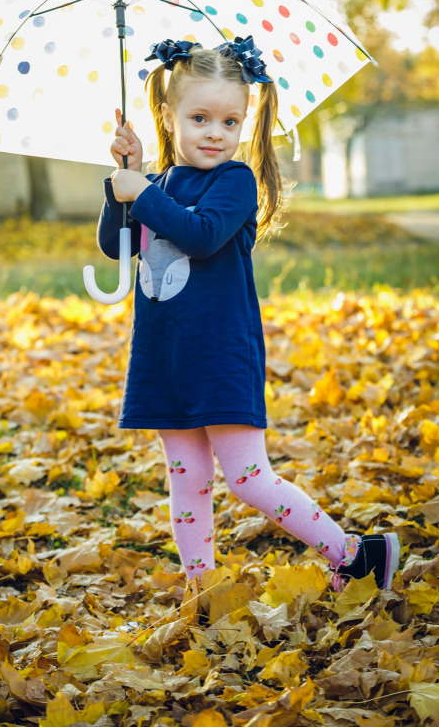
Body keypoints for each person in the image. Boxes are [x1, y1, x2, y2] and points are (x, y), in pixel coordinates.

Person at [96, 36, 399, 593]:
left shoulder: (233, 181)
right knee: (186, 480)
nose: (216, 132)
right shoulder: (157, 182)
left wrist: (141, 192)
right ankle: (202, 590)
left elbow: (203, 236)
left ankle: (355, 554)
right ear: (168, 116)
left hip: (219, 352)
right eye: (200, 117)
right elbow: (116, 248)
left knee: (248, 478)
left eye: (230, 121)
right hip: (165, 354)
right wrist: (125, 180)